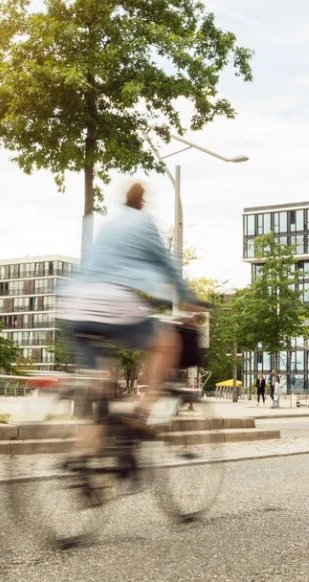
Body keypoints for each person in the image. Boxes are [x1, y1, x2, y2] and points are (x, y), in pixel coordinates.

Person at [59, 181, 203, 435]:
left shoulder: (108, 225)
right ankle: (140, 408)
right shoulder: (144, 223)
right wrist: (187, 299)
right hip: (113, 301)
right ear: (142, 202)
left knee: (99, 389)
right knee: (167, 342)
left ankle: (83, 462)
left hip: (76, 305)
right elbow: (167, 265)